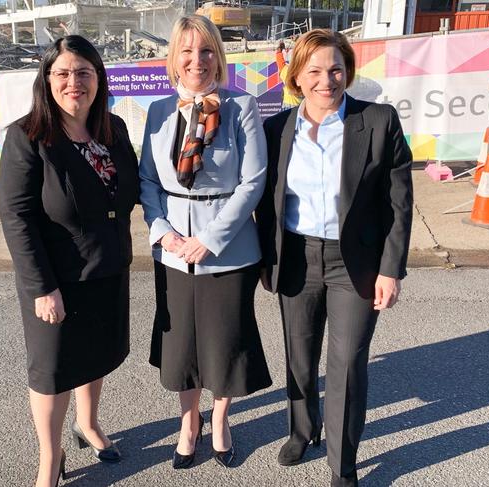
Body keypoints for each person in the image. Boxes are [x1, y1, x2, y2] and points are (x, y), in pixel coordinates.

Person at [256, 29, 413, 486]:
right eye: (316, 71)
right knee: (299, 355)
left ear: (348, 70)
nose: (328, 80)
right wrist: (267, 259)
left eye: (336, 68)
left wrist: (390, 269)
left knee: (346, 364)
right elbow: (264, 200)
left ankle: (342, 462)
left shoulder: (378, 121)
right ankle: (303, 429)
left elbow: (398, 203)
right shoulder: (276, 128)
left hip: (356, 264)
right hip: (298, 258)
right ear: (297, 78)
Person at [0, 35, 139, 487]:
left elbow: (133, 192)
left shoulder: (113, 130)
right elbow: (16, 216)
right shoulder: (28, 136)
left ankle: (89, 424)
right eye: (62, 73)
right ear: (47, 80)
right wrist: (42, 286)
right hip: (54, 279)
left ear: (98, 78)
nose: (73, 81)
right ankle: (49, 457)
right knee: (51, 372)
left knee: (95, 357)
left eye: (83, 72)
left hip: (107, 269)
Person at [139, 15, 272, 469]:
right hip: (174, 251)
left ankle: (221, 419)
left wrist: (210, 240)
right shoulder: (158, 111)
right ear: (174, 60)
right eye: (188, 52)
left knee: (224, 341)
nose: (198, 61)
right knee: (182, 346)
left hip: (229, 248)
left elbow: (253, 181)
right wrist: (163, 233)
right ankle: (188, 422)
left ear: (219, 55)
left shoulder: (242, 106)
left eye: (207, 50)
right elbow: (148, 181)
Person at [276, 40, 301, 110]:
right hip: (301, 107)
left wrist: (280, 48)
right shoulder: (304, 72)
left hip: (288, 107)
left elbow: (279, 59)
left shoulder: (287, 71)